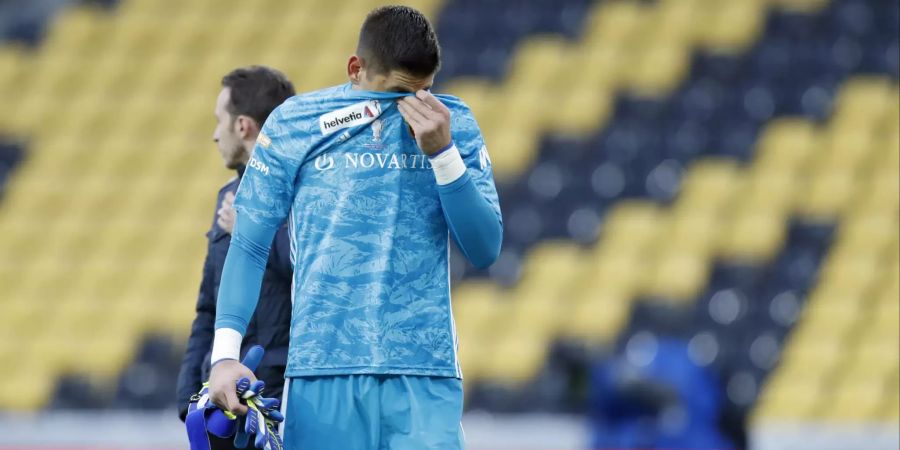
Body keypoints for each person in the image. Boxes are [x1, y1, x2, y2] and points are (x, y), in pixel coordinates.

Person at [208, 6, 503, 450]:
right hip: (322, 374)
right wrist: (225, 356)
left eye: (421, 93)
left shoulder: (452, 123)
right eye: (393, 94)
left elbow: (485, 249)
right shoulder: (296, 123)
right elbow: (248, 245)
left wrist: (444, 155)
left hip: (423, 373)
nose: (406, 110)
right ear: (355, 69)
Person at [176, 66, 296, 448]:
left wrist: (250, 233)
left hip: (277, 394)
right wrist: (188, 397)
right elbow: (208, 305)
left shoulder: (304, 196)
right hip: (220, 395)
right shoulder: (227, 195)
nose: (215, 134)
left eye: (219, 121)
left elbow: (312, 274)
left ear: (243, 126)